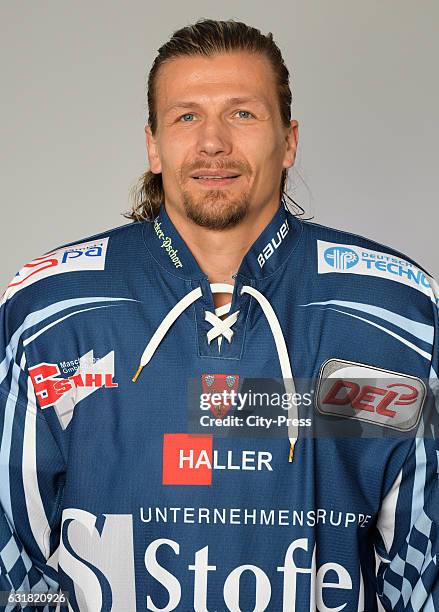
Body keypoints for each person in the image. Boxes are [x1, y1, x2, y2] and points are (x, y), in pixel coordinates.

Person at [0, 18, 438, 612]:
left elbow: (421, 573)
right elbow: (12, 567)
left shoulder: (393, 315)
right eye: (186, 116)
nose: (212, 142)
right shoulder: (50, 313)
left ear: (289, 140)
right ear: (153, 144)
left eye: (242, 114)